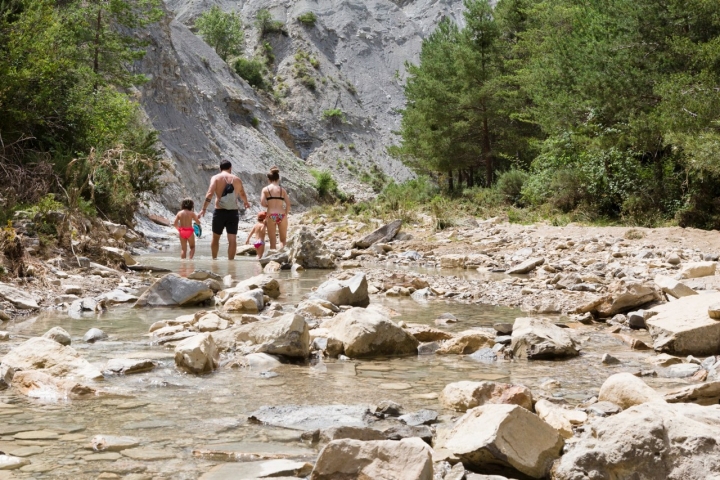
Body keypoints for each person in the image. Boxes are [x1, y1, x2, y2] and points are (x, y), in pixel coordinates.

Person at [198, 159, 250, 260]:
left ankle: (214, 259)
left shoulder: (216, 178)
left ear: (220, 168)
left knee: (216, 237)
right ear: (230, 168)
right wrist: (246, 202)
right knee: (232, 239)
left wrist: (204, 208)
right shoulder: (237, 179)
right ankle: (231, 262)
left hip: (219, 211)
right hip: (233, 212)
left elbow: (210, 193)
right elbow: (242, 193)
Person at [260, 166, 291, 250]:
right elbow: (288, 204)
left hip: (271, 215)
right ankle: (283, 258)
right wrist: (286, 213)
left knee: (272, 240)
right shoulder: (282, 190)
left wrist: (269, 205)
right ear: (278, 178)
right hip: (282, 215)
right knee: (283, 240)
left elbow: (262, 202)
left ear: (269, 179)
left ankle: (272, 259)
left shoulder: (265, 189)